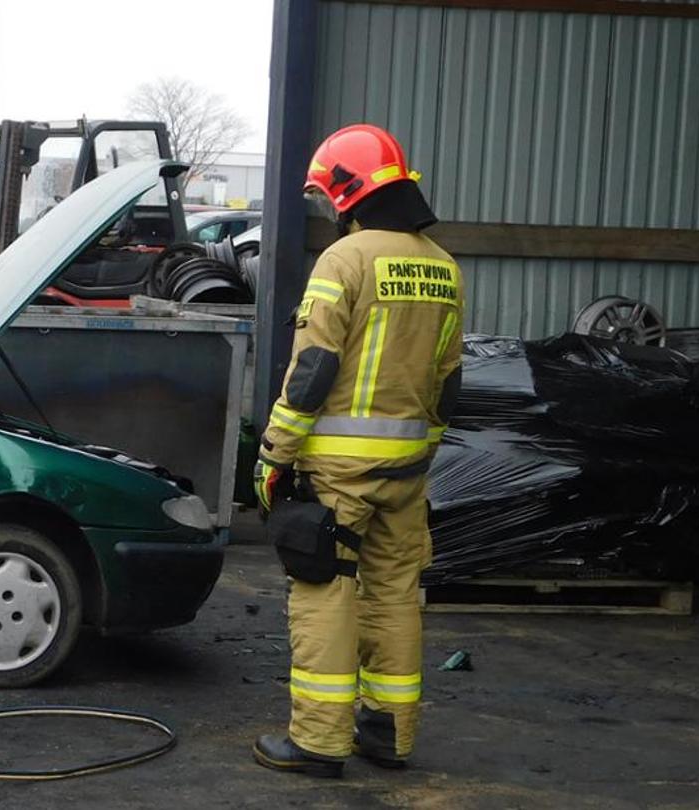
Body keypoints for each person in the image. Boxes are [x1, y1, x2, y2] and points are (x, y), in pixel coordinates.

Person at [252, 124, 462, 777]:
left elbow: (313, 370)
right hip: (409, 470)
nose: (328, 209)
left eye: (328, 197)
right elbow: (449, 380)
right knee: (396, 593)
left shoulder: (345, 261)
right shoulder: (442, 266)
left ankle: (318, 741)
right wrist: (422, 450)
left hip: (340, 472)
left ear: (348, 190)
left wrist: (274, 455)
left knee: (325, 591)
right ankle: (389, 736)